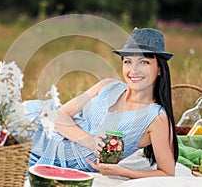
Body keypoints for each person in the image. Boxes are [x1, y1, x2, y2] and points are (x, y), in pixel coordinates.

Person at [24, 28, 178, 179]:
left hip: (58, 160)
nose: (133, 70)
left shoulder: (156, 118)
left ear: (160, 69)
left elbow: (167, 172)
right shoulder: (108, 85)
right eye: (128, 61)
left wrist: (122, 172)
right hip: (39, 127)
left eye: (144, 62)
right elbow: (59, 114)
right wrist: (91, 142)